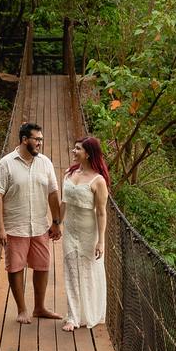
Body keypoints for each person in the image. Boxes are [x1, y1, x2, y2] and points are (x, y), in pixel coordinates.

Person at [0, 122, 64, 324]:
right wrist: (0, 227)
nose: (40, 143)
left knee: (43, 265)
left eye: (41, 139)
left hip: (40, 225)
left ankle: (39, 308)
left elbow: (53, 193)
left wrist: (56, 222)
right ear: (24, 140)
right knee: (15, 267)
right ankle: (22, 310)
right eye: (36, 139)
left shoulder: (45, 163)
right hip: (15, 226)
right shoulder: (6, 164)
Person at [59, 136, 109, 332]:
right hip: (70, 230)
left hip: (89, 231)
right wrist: (57, 224)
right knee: (72, 270)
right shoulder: (69, 174)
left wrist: (100, 241)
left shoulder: (98, 181)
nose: (73, 151)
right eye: (74, 148)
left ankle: (88, 313)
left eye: (77, 149)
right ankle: (72, 316)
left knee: (88, 271)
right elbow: (64, 202)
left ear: (88, 153)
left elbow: (101, 212)